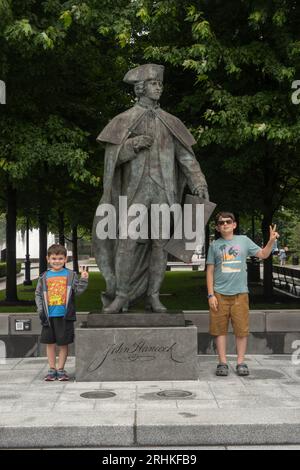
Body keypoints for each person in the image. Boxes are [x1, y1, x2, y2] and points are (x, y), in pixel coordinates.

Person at [93, 64, 209, 313]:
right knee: (127, 242)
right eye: (154, 84)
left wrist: (198, 181)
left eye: (160, 84)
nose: (159, 88)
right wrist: (131, 145)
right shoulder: (123, 120)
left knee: (160, 244)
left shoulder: (171, 122)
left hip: (163, 192)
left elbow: (186, 158)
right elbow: (111, 160)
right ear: (140, 88)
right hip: (134, 193)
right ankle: (122, 295)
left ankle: (153, 296)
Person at [206, 212, 279, 377]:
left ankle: (240, 362)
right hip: (219, 295)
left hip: (240, 295)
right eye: (221, 222)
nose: (225, 224)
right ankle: (222, 362)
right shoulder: (214, 245)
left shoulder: (244, 241)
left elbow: (263, 254)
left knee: (241, 330)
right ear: (217, 227)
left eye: (228, 221)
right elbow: (210, 271)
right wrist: (211, 295)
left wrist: (271, 241)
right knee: (219, 330)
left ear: (234, 225)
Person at [35, 244, 89, 381]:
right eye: (54, 258)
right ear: (48, 259)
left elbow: (78, 291)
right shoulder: (44, 277)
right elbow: (38, 294)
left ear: (65, 259)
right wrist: (41, 310)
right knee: (50, 343)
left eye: (60, 258)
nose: (57, 261)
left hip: (65, 316)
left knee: (63, 344)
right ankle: (52, 369)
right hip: (48, 316)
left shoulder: (71, 275)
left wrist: (84, 279)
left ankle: (61, 369)